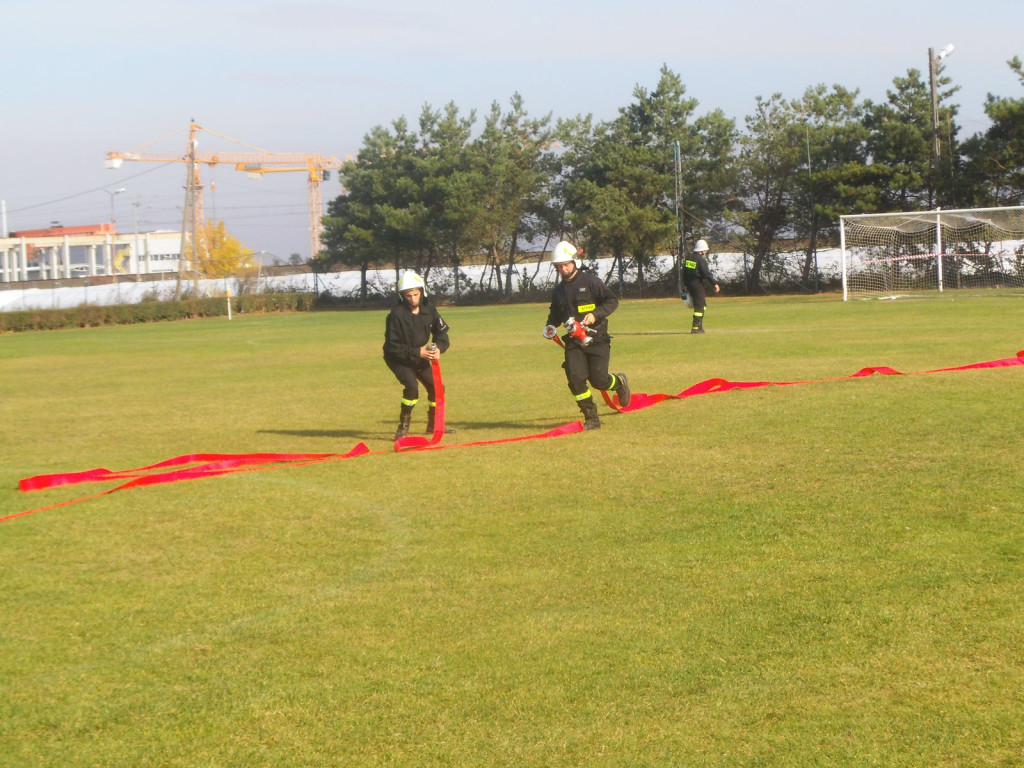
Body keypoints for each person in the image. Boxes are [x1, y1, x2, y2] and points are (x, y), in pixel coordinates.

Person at [543, 240, 631, 430]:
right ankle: (591, 417)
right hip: (574, 342)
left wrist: (595, 315)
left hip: (597, 339)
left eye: (566, 264)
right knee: (575, 378)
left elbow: (612, 301)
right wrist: (550, 326)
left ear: (575, 262)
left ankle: (619, 383)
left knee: (599, 380)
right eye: (559, 266)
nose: (563, 269)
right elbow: (555, 313)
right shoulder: (558, 291)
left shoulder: (591, 282)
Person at [383, 271, 450, 440]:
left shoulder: (429, 310)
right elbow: (392, 346)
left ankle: (434, 425)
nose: (413, 299)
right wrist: (418, 352)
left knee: (437, 387)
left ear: (422, 292)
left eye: (415, 294)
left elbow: (442, 335)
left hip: (420, 356)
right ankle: (403, 427)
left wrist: (438, 349)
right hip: (398, 358)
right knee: (412, 388)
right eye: (408, 295)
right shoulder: (395, 315)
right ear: (402, 296)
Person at [682, 239, 721, 334]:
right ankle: (696, 327)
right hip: (697, 284)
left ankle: (699, 326)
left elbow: (684, 272)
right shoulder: (700, 260)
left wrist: (685, 285)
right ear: (702, 250)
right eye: (705, 250)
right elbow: (706, 273)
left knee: (702, 304)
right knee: (699, 305)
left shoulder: (688, 258)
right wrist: (714, 283)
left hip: (689, 284)